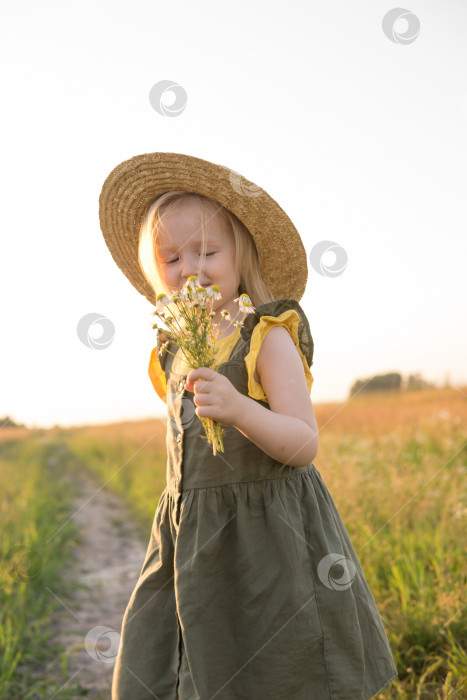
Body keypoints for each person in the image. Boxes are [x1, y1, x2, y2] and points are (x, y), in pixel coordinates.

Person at [99, 152, 399, 700]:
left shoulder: (267, 335)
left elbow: (304, 443)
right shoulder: (174, 350)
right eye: (170, 258)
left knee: (278, 661)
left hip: (268, 539)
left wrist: (241, 410)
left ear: (240, 254)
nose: (190, 268)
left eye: (207, 251)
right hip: (191, 537)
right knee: (184, 659)